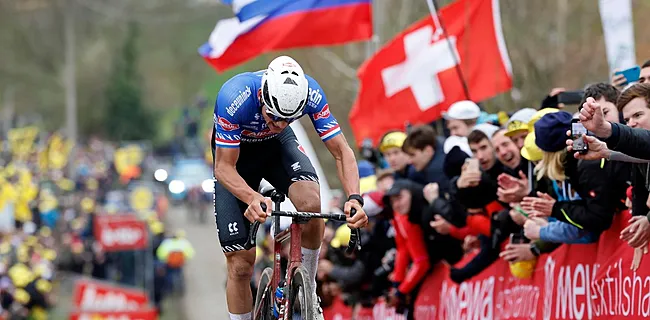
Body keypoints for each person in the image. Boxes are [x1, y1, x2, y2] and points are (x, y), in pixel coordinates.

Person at [212, 55, 368, 320]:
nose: (280, 123)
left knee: (310, 203)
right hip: (238, 159)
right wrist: (251, 196)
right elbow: (223, 168)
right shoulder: (234, 95)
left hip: (277, 148)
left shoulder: (311, 93)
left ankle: (309, 287)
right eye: (274, 117)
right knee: (240, 265)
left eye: (289, 118)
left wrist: (355, 197)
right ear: (263, 96)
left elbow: (342, 151)